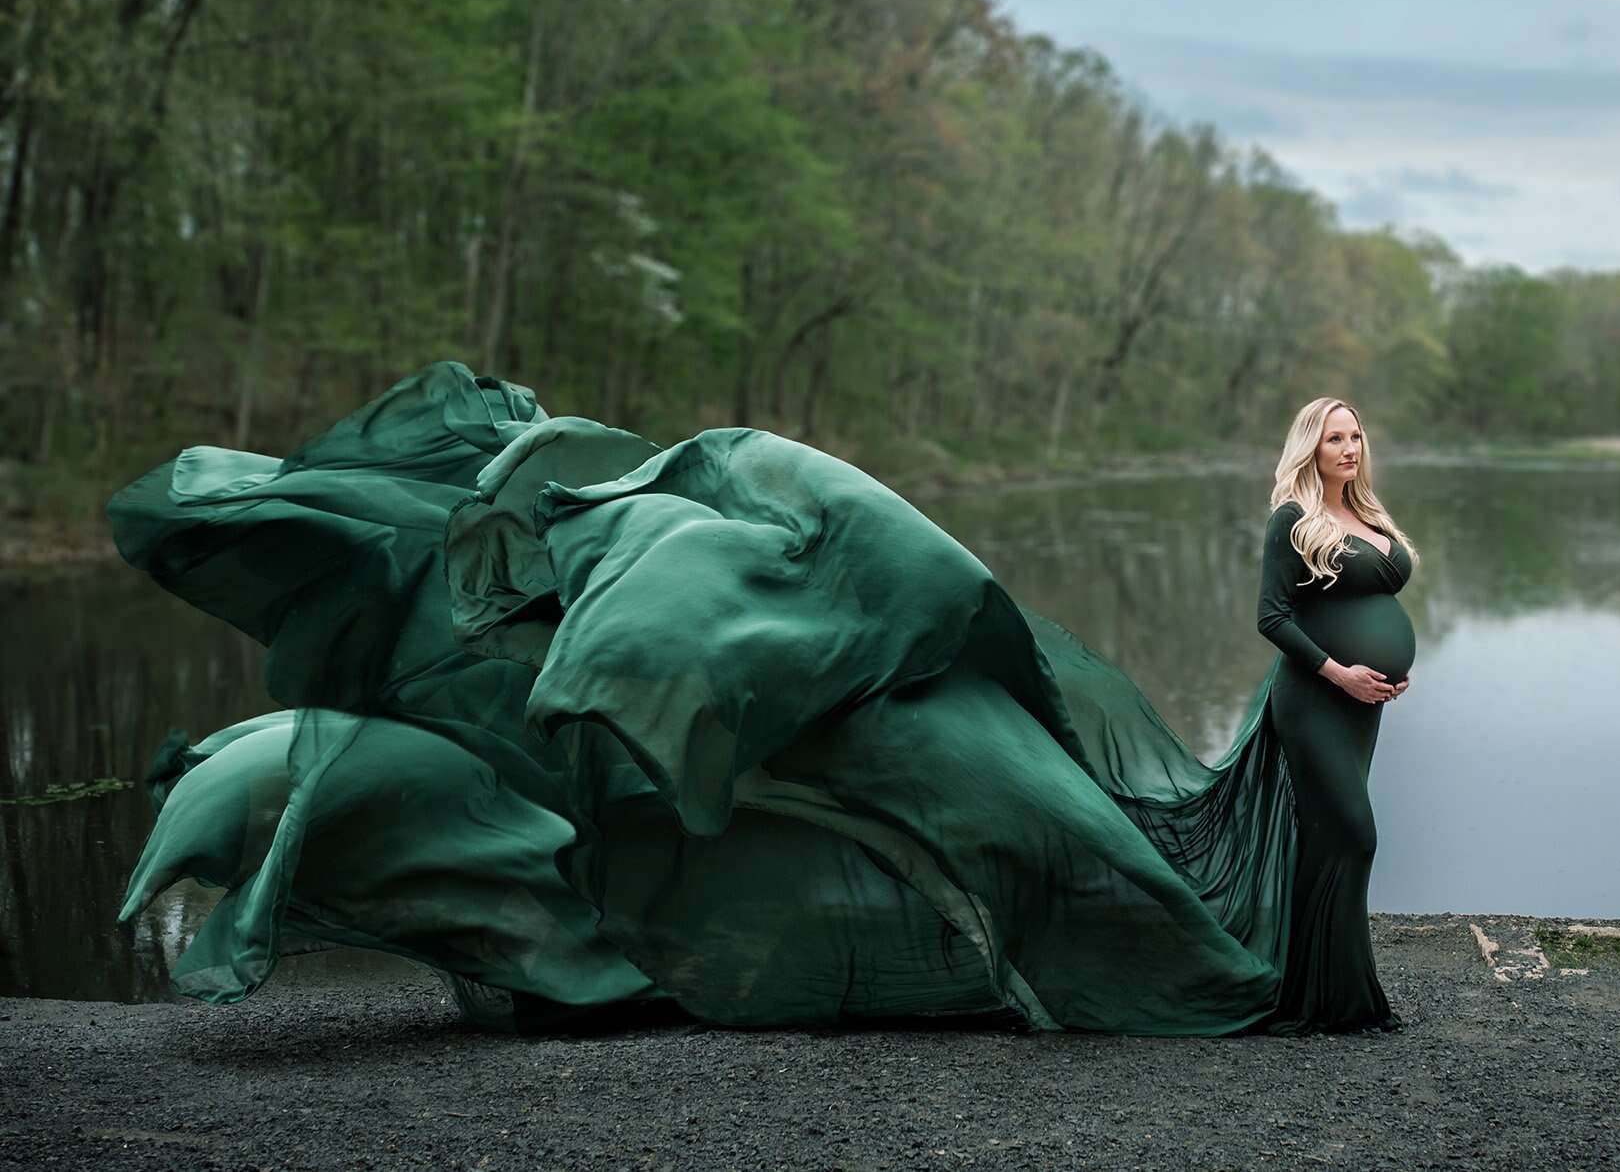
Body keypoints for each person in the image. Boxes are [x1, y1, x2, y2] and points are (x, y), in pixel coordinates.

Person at [109, 362, 1411, 1035]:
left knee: (1036, 822)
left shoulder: (746, 524)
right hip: (841, 660)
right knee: (1015, 828)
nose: (1350, 448)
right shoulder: (685, 537)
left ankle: (1242, 956)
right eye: (1338, 434)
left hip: (876, 656)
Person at [1258, 397, 1418, 1033]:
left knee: (1331, 841)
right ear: (1311, 449)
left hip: (1360, 706)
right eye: (1334, 440)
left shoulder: (1366, 511)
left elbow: (1371, 602)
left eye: (1355, 436)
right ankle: (1322, 998)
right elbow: (1271, 617)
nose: (1349, 449)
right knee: (1355, 833)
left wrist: (1383, 673)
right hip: (1314, 700)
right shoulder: (1293, 519)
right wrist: (1341, 673)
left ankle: (1333, 1000)